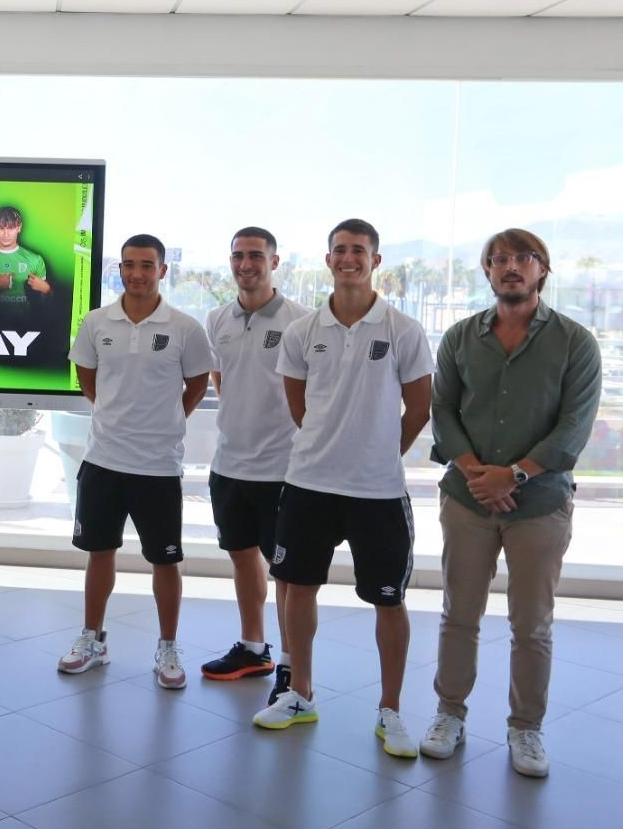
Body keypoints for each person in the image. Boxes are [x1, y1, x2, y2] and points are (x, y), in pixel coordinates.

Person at [419, 228, 601, 777]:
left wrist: (514, 474)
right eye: (498, 260)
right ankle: (449, 714)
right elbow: (442, 409)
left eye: (523, 258)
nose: (510, 267)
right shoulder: (459, 337)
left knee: (533, 625)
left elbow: (574, 427)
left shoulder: (575, 341)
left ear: (542, 269)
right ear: (488, 273)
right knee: (458, 615)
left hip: (540, 504)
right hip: (468, 500)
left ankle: (526, 729)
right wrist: (479, 474)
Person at [254, 218, 433, 760]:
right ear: (328, 259)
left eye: (359, 250)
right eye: (339, 250)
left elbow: (419, 409)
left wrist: (376, 455)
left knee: (388, 601)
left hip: (378, 493)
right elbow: (297, 404)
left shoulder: (403, 329)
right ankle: (300, 693)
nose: (348, 258)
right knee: (298, 586)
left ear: (375, 260)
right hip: (309, 484)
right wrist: (330, 450)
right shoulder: (304, 331)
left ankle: (391, 709)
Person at [61, 234, 211, 689]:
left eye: (147, 265)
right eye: (129, 265)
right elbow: (88, 380)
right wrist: (116, 414)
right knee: (99, 553)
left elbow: (198, 385)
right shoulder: (96, 322)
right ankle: (93, 639)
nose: (137, 273)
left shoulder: (185, 328)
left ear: (163, 270)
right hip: (104, 459)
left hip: (158, 466)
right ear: (119, 270)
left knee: (165, 561)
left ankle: (168, 647)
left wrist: (166, 420)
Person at [201, 227, 304, 699]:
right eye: (239, 255)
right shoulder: (217, 318)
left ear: (274, 262)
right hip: (229, 466)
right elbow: (220, 379)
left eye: (256, 256)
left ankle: (290, 663)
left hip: (282, 471)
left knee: (285, 573)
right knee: (243, 559)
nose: (246, 264)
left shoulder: (302, 322)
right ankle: (253, 647)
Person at [0, 206, 51, 318]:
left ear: (19, 227)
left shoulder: (35, 259)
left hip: (24, 324)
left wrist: (48, 290)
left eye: (11, 228)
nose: (6, 234)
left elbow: (48, 305)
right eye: (1, 228)